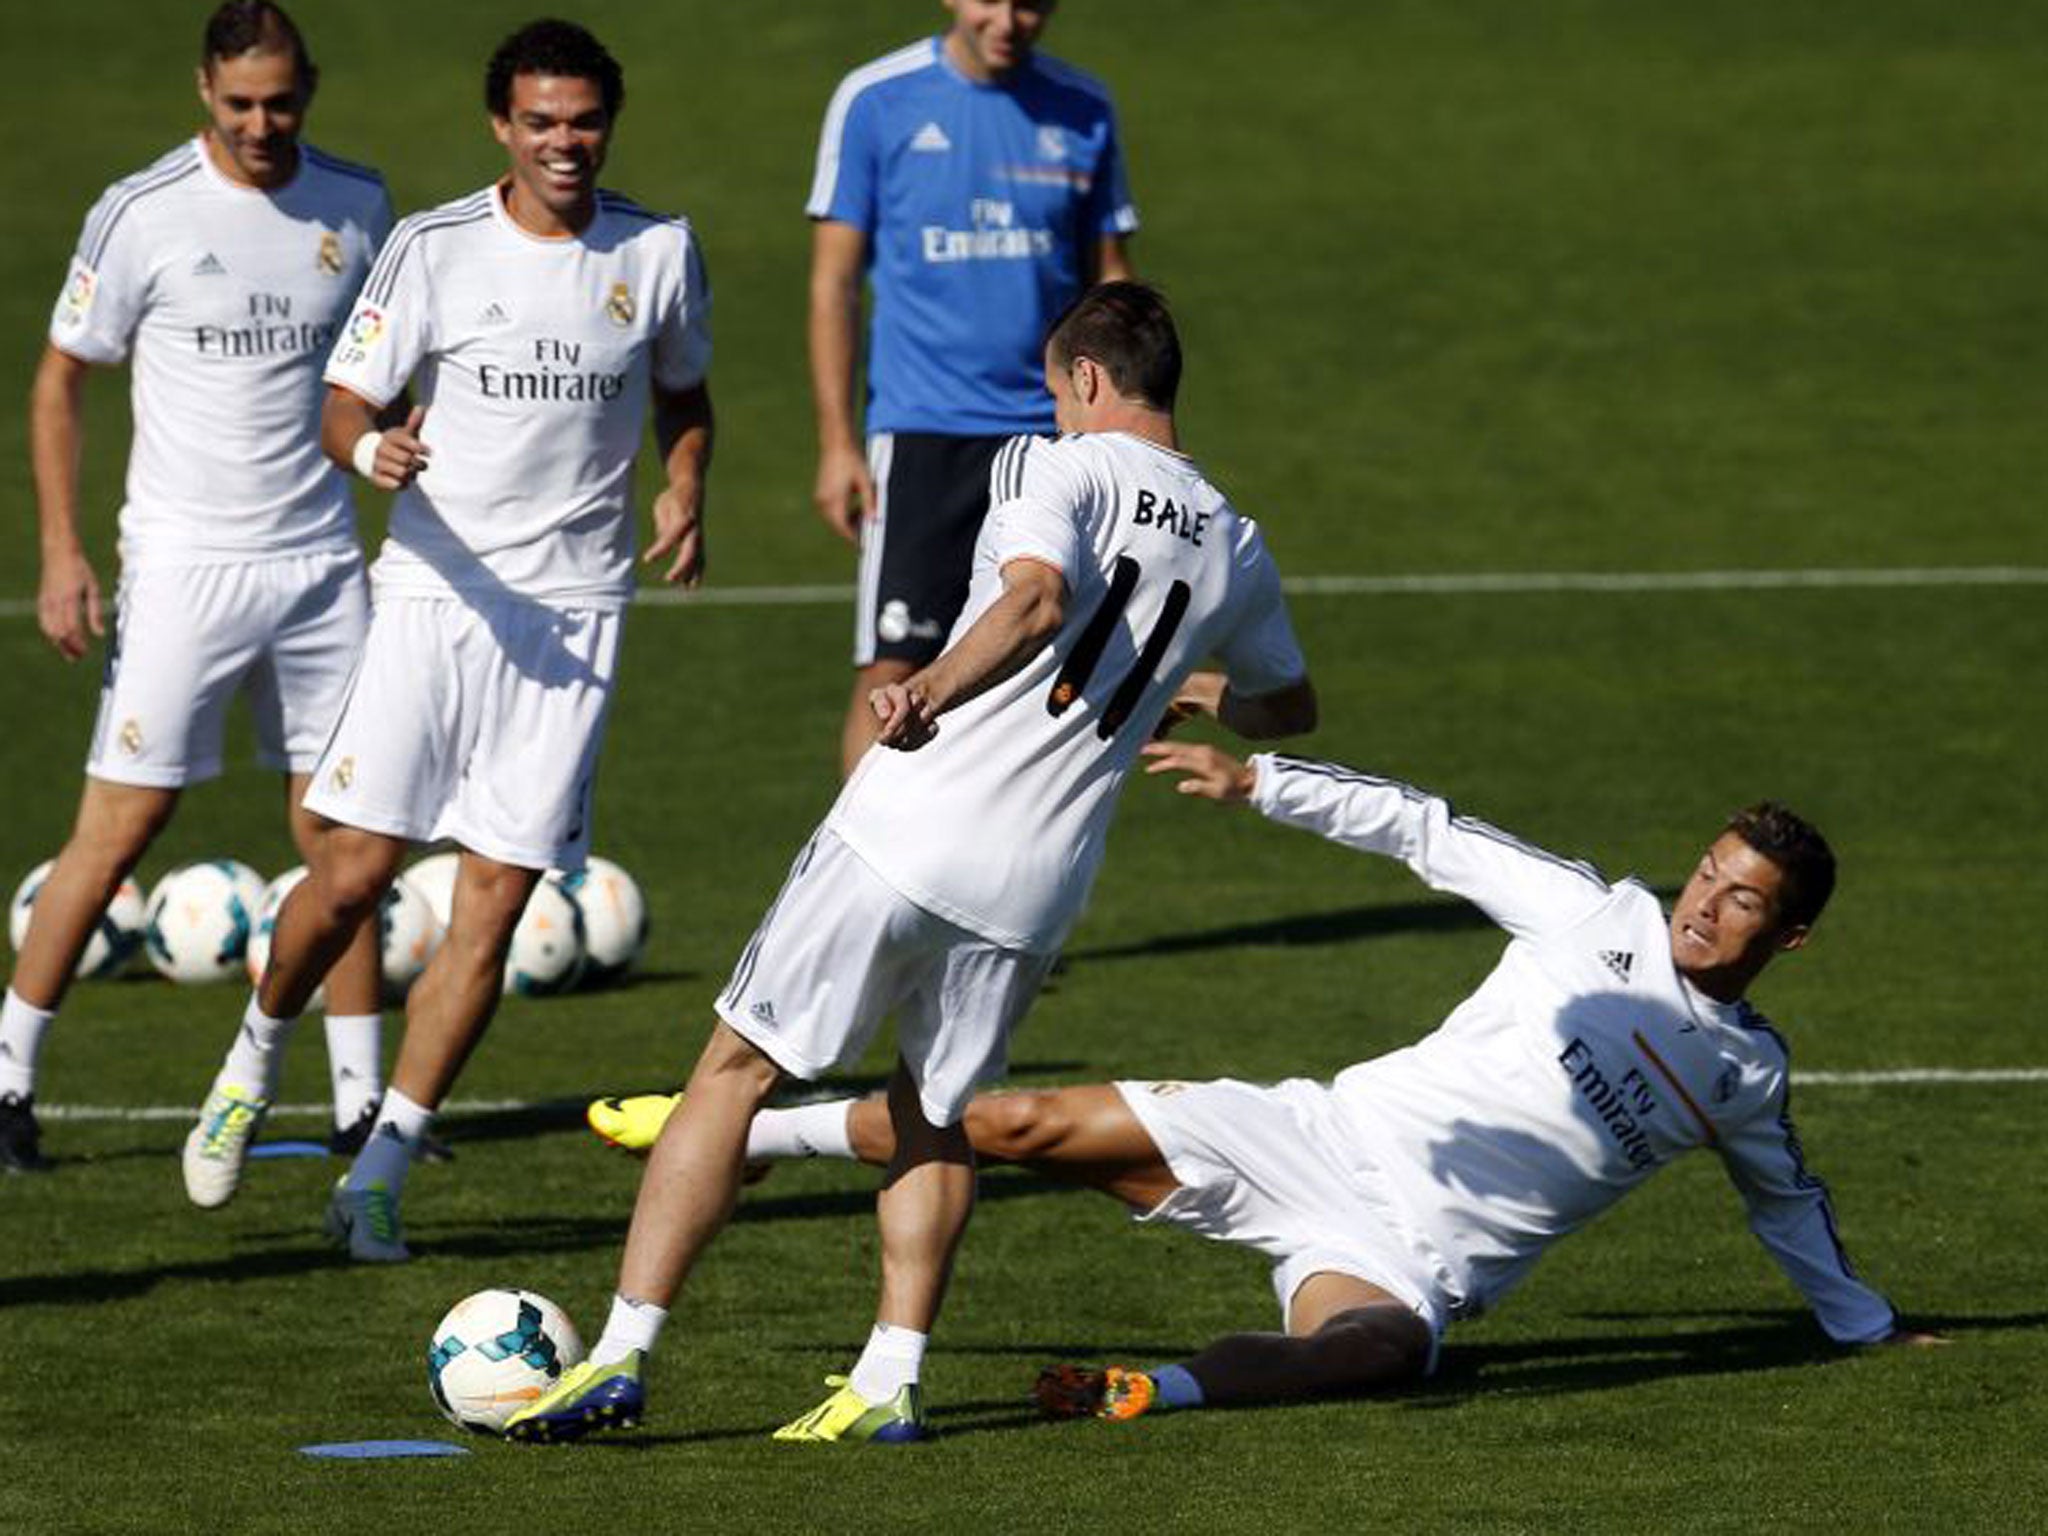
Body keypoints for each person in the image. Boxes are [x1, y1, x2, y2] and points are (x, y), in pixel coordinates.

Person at [507, 282, 1317, 1445]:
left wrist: (926, 686)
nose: (1052, 408)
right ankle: (890, 1377)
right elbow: (1288, 706)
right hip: (1037, 886)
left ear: (1084, 378)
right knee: (932, 1113)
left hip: (905, 835)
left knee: (731, 1071)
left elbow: (1032, 599)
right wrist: (1184, 685)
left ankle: (622, 1355)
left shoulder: (1060, 468)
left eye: (1054, 390)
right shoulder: (1235, 540)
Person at [598, 741, 1945, 1417]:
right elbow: (1422, 829)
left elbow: (1788, 1210)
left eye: (1742, 902)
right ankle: (739, 1133)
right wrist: (1261, 780)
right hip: (1313, 1135)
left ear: (1790, 938)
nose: (1705, 907)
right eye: (1709, 876)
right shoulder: (1593, 915)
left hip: (1413, 1259)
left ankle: (1150, 1390)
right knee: (1002, 1119)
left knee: (1376, 1355)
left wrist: (1865, 1327)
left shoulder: (1746, 1079)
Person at [178, 18, 714, 1260]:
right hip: (435, 598)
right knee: (355, 871)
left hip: (573, 621)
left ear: (605, 122)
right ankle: (251, 1061)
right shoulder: (433, 246)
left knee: (492, 904)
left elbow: (684, 395)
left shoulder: (660, 252)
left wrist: (687, 484)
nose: (562, 143)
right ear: (501, 129)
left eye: (581, 120)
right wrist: (374, 452)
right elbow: (343, 402)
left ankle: (380, 1172)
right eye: (539, 122)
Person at [0, 2, 395, 1175]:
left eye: (281, 101)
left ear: (307, 87)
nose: (262, 124)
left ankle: (361, 1106)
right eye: (239, 104)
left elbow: (382, 374)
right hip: (181, 564)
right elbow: (60, 381)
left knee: (345, 836)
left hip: (323, 565)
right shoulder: (141, 213)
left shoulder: (359, 203)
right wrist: (64, 553)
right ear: (203, 93)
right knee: (122, 826)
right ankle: (9, 1076)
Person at [808, 0, 1139, 775]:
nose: (1010, 19)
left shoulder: (1084, 108)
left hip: (1054, 437)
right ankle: (851, 869)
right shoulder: (875, 101)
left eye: (1030, 3)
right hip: (926, 433)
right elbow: (834, 285)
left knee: (1039, 675)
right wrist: (836, 441)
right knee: (894, 667)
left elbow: (1112, 279)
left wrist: (1118, 434)